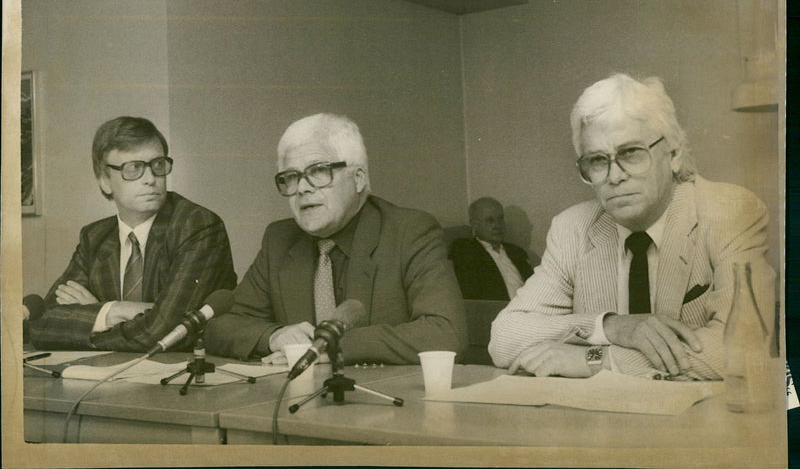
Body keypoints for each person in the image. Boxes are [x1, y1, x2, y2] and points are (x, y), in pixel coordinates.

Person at [488, 73, 775, 380]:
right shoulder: (572, 228)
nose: (614, 176)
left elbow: (742, 348)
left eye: (631, 153)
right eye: (598, 160)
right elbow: (504, 339)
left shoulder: (728, 211)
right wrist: (611, 326)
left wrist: (596, 359)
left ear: (674, 154)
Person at [205, 113, 467, 364]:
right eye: (292, 177)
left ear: (358, 178)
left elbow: (445, 332)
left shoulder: (410, 232)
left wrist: (330, 348)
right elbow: (221, 327)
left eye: (318, 171)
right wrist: (273, 336)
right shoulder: (279, 240)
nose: (304, 188)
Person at [30, 117, 237, 351]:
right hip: (108, 376)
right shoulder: (95, 237)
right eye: (134, 168)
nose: (151, 179)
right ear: (104, 181)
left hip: (181, 375)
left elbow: (162, 331)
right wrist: (114, 311)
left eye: (158, 165)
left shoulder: (198, 226)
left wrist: (97, 312)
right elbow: (41, 322)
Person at [450, 197, 535, 300]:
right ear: (474, 225)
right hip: (498, 312)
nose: (497, 225)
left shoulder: (518, 252)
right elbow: (472, 295)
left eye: (500, 219)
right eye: (490, 220)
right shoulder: (464, 250)